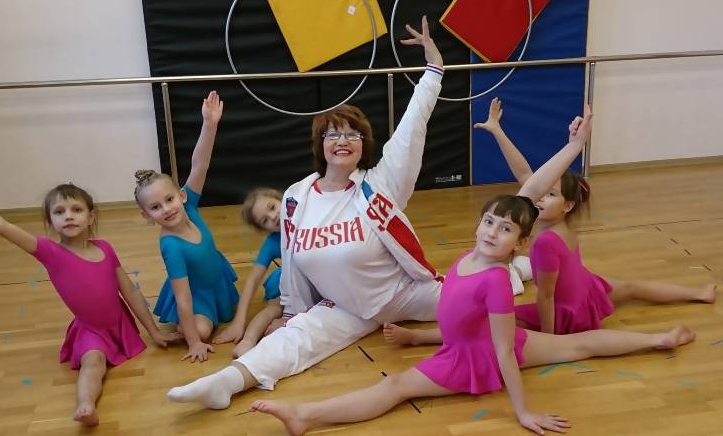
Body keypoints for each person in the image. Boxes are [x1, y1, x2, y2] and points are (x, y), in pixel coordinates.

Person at [249, 107, 696, 436]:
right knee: (577, 344)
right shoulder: (473, 256)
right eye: (489, 223)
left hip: (475, 358)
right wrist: (572, 147)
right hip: (467, 342)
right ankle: (658, 339)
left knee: (400, 386)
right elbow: (529, 188)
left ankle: (307, 415)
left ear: (519, 245)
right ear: (478, 224)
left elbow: (503, 352)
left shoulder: (497, 280)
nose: (492, 232)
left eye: (505, 230)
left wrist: (523, 412)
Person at [165, 16, 446, 409]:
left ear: (363, 145)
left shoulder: (381, 182)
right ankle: (225, 382)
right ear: (321, 145)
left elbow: (413, 126)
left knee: (484, 295)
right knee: (291, 339)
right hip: (346, 306)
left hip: (405, 294)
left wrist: (433, 69)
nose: (343, 140)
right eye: (333, 134)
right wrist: (292, 311)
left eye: (352, 134)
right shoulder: (298, 196)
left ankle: (519, 270)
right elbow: (293, 260)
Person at [0, 171, 178, 426]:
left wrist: (154, 332)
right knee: (93, 364)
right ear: (50, 221)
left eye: (76, 209)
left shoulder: (105, 248)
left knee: (101, 361)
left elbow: (130, 291)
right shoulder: (50, 252)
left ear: (91, 217)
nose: (68, 216)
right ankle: (85, 404)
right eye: (59, 211)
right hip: (91, 331)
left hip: (119, 324)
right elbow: (1, 225)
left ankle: (89, 397)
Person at [476, 97, 717, 334]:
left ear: (567, 205)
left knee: (493, 321)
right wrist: (497, 130)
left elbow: (546, 297)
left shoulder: (545, 241)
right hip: (588, 288)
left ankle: (694, 298)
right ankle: (698, 293)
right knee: (632, 287)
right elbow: (524, 174)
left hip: (570, 310)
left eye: (550, 194)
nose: (539, 198)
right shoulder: (559, 223)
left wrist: (550, 336)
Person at [134, 90, 239, 363]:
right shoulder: (171, 245)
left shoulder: (189, 205)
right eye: (155, 207)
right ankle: (186, 326)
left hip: (215, 279)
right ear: (146, 215)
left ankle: (206, 313)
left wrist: (210, 124)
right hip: (194, 294)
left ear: (181, 195)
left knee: (226, 312)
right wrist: (194, 342)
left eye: (169, 200)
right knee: (203, 331)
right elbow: (183, 297)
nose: (166, 209)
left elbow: (200, 165)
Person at [211, 187, 284, 357]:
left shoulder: (309, 217)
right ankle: (248, 341)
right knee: (274, 307)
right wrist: (239, 321)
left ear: (282, 199)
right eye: (265, 220)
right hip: (291, 281)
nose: (273, 217)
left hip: (320, 278)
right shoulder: (272, 243)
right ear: (264, 229)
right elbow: (253, 280)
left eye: (272, 207)